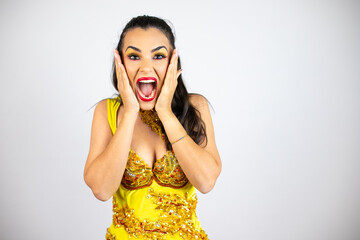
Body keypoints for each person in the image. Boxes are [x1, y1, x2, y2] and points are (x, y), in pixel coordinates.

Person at [84, 15, 221, 240]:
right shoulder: (107, 111)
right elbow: (101, 189)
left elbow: (206, 182)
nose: (146, 67)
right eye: (134, 56)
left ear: (172, 62)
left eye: (158, 56)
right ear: (120, 63)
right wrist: (129, 112)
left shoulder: (195, 107)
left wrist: (165, 112)